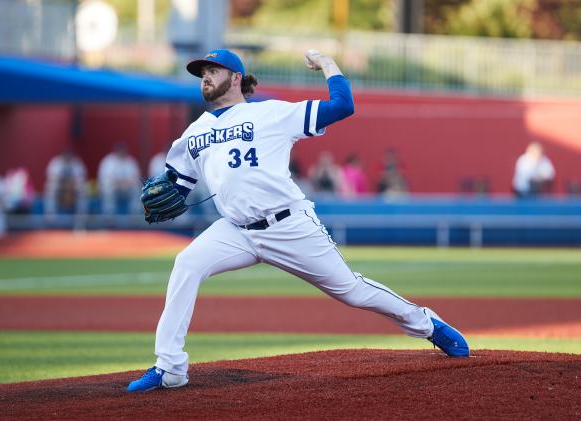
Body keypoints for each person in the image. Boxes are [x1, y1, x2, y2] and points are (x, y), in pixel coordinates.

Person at [126, 49, 469, 393]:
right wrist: (165, 192)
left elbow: (342, 106)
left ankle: (426, 323)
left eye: (213, 70)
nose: (205, 76)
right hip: (235, 230)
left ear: (235, 78)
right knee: (187, 263)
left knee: (351, 291)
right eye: (202, 72)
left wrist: (328, 65)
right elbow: (176, 184)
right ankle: (169, 367)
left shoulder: (271, 113)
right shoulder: (193, 133)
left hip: (288, 225)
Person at [97, 143, 141, 215]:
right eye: (119, 151)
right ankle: (109, 215)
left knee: (136, 189)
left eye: (123, 151)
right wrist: (118, 183)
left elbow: (136, 178)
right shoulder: (108, 161)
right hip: (113, 187)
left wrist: (126, 183)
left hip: (127, 188)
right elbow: (104, 179)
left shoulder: (131, 161)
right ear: (115, 151)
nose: (121, 152)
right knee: (107, 189)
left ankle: (135, 214)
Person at [44, 148, 88, 215]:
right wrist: (64, 184)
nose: (68, 159)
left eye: (70, 157)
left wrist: (71, 185)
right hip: (59, 185)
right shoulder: (55, 162)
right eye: (66, 157)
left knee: (83, 189)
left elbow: (81, 178)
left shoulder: (77, 163)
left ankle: (82, 215)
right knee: (50, 187)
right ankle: (50, 214)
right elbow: (52, 178)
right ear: (62, 156)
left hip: (73, 186)